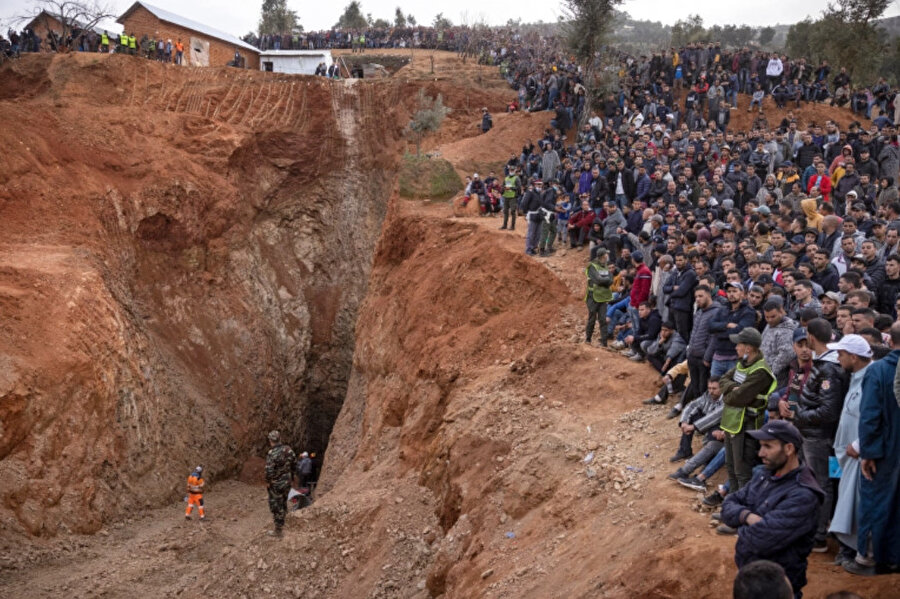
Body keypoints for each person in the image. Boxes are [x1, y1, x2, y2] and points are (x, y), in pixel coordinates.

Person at [722, 420, 824, 599]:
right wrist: (747, 516)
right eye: (761, 446)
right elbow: (728, 504)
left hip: (778, 590)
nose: (760, 453)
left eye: (768, 446)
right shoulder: (764, 474)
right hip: (751, 583)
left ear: (789, 449)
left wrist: (740, 527)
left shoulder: (804, 495)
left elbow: (760, 540)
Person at [781, 318, 848, 552]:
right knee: (807, 480)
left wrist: (799, 414)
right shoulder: (820, 362)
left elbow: (829, 411)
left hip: (818, 435)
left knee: (821, 483)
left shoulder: (828, 367)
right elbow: (802, 395)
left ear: (811, 337)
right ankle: (808, 527)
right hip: (807, 432)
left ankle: (819, 535)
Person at [846, 322, 900, 575]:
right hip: (889, 445)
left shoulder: (878, 370)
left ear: (889, 341)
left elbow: (870, 416)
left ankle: (869, 558)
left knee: (876, 502)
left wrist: (867, 452)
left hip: (885, 450)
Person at [826, 334, 872, 567]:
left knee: (855, 504)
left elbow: (881, 416)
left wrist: (861, 444)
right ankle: (847, 548)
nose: (838, 358)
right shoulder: (854, 377)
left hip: (860, 455)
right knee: (846, 501)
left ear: (854, 357)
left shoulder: (872, 379)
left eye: (841, 354)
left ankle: (857, 552)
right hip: (846, 455)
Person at [719, 327, 777, 496]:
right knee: (731, 467)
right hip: (732, 422)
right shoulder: (742, 363)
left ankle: (741, 505)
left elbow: (738, 398)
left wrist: (727, 394)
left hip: (747, 425)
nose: (736, 347)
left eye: (739, 344)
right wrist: (733, 388)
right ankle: (731, 503)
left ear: (748, 348)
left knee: (742, 472)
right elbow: (723, 379)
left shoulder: (760, 371)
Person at [264, 430, 296, 537]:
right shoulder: (288, 450)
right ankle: (285, 520)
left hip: (276, 483)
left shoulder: (272, 453)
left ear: (270, 440)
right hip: (287, 481)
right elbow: (294, 464)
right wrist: (291, 476)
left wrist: (268, 481)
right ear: (279, 439)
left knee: (276, 505)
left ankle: (278, 530)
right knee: (283, 501)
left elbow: (269, 470)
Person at [584, 248, 613, 346]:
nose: (607, 256)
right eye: (606, 254)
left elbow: (611, 280)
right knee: (592, 318)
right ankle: (588, 339)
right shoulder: (592, 266)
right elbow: (598, 280)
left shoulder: (606, 266)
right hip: (593, 297)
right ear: (602, 256)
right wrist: (606, 280)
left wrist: (605, 280)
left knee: (603, 319)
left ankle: (604, 343)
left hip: (603, 296)